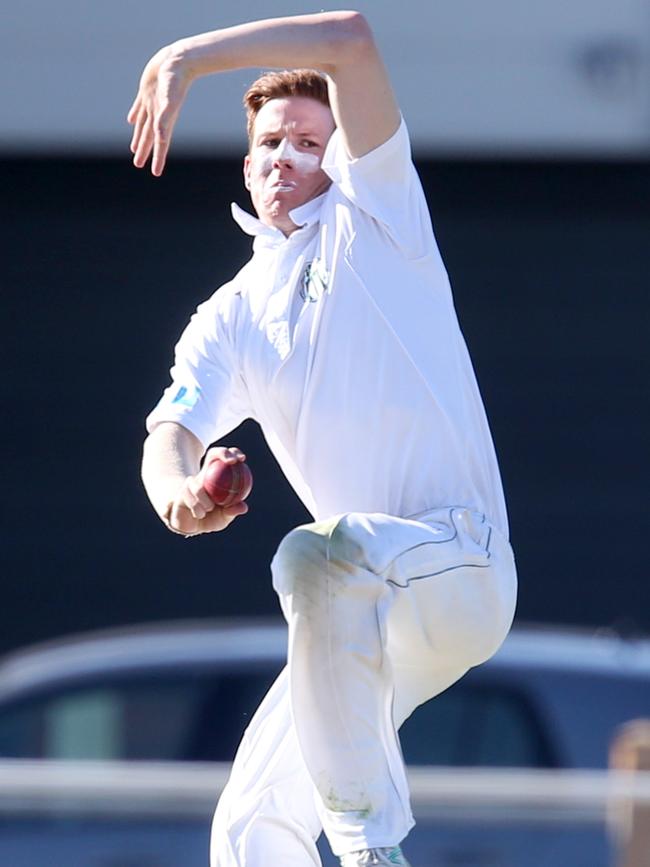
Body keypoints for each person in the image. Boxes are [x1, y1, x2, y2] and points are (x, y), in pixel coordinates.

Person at [129, 11, 518, 867]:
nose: (285, 155)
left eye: (309, 140)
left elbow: (351, 38)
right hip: (362, 614)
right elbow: (171, 432)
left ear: (341, 157)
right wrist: (184, 499)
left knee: (315, 557)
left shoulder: (377, 215)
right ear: (245, 163)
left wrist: (186, 56)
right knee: (247, 828)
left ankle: (372, 849)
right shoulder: (230, 316)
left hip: (459, 565)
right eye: (271, 140)